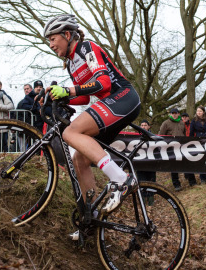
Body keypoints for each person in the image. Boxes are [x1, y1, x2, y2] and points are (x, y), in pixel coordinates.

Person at [43, 14, 141, 240]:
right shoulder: (70, 63)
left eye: (53, 38)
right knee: (80, 159)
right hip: (112, 102)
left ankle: (121, 179)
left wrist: (68, 91)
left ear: (67, 35)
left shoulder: (87, 48)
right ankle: (91, 217)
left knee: (71, 132)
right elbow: (85, 97)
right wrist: (60, 98)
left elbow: (103, 83)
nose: (51, 44)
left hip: (123, 97)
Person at [160, 108, 196, 190]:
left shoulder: (182, 123)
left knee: (187, 164)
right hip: (171, 148)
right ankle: (176, 185)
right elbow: (161, 136)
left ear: (178, 114)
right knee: (174, 167)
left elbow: (184, 134)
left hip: (182, 147)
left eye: (176, 113)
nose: (174, 114)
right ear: (170, 114)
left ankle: (192, 182)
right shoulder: (166, 123)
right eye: (172, 113)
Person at [189, 106, 206, 184]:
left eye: (200, 111)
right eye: (197, 111)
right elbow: (191, 133)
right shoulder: (193, 121)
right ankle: (203, 178)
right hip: (198, 142)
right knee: (200, 160)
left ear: (203, 112)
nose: (199, 113)